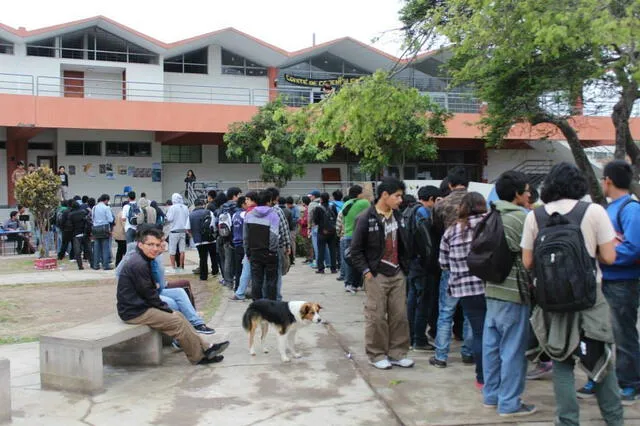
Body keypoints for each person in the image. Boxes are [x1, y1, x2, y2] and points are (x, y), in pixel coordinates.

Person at [521, 162, 623, 425]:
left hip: (552, 301)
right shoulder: (594, 211)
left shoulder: (536, 216)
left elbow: (528, 262)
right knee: (602, 363)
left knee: (562, 363)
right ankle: (614, 420)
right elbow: (610, 257)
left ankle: (567, 421)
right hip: (590, 299)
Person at [116, 226, 228, 365]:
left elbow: (150, 290)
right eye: (150, 245)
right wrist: (166, 308)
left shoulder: (143, 259)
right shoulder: (138, 263)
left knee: (179, 316)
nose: (155, 248)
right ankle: (198, 357)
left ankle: (206, 347)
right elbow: (150, 294)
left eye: (157, 245)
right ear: (140, 244)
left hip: (141, 306)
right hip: (134, 311)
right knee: (176, 321)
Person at [576, 160, 640, 404]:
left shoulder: (631, 209)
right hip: (605, 281)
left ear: (608, 181)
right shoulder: (610, 208)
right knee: (598, 333)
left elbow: (634, 247)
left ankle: (630, 383)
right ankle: (601, 376)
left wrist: (604, 256)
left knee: (623, 334)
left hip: (623, 282)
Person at [482, 171, 536, 416]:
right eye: (526, 190)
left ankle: (491, 396)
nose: (529, 194)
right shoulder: (520, 218)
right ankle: (510, 403)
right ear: (516, 194)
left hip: (491, 289)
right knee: (513, 350)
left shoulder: (491, 213)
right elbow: (530, 259)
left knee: (491, 348)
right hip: (513, 292)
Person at [350, 177, 414, 370]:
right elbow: (355, 250)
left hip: (397, 272)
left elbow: (405, 244)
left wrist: (404, 267)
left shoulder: (399, 216)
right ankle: (376, 354)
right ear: (385, 195)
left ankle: (397, 353)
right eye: (397, 196)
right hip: (376, 274)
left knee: (400, 316)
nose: (400, 200)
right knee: (376, 317)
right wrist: (367, 272)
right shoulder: (365, 217)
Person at [438, 192, 488, 389]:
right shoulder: (491, 224)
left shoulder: (452, 230)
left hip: (464, 289)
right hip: (490, 287)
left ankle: (481, 378)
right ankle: (494, 374)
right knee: (494, 333)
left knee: (479, 332)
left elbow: (443, 263)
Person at [430, 168, 474, 369]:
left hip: (451, 262)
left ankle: (441, 355)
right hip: (475, 265)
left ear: (449, 185)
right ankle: (468, 352)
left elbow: (436, 229)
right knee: (470, 312)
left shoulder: (442, 204)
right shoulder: (478, 201)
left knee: (446, 312)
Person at [406, 185, 440, 352]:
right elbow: (428, 245)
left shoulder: (409, 211)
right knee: (423, 303)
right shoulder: (424, 214)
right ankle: (419, 339)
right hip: (422, 267)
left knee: (412, 302)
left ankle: (411, 336)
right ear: (432, 199)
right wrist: (431, 264)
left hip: (412, 264)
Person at [244, 190, 281, 301]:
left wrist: (248, 252)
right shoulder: (273, 215)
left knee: (256, 279)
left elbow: (245, 237)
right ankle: (271, 305)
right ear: (269, 201)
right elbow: (274, 236)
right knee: (271, 281)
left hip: (254, 252)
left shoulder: (249, 215)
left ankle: (257, 306)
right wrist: (272, 251)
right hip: (269, 253)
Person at [341, 185, 371, 293]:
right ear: (359, 194)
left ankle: (349, 283)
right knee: (357, 260)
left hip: (347, 235)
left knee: (349, 260)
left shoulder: (346, 203)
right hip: (357, 236)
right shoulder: (364, 203)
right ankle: (353, 283)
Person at [231, 192, 257, 301]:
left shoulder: (248, 213)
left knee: (246, 270)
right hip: (258, 246)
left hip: (247, 246)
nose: (245, 201)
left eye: (247, 199)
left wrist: (247, 248)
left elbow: (246, 234)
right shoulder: (263, 211)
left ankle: (240, 292)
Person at [217, 187, 242, 287]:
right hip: (236, 237)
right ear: (235, 195)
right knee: (237, 260)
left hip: (224, 236)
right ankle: (236, 279)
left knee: (227, 260)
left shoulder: (222, 207)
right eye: (240, 194)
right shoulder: (237, 207)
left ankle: (228, 281)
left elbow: (216, 221)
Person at [189, 199, 215, 282]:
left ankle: (203, 276)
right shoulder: (209, 212)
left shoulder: (191, 215)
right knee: (213, 256)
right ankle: (215, 271)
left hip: (199, 241)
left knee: (202, 258)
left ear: (195, 205)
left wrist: (193, 236)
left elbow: (188, 229)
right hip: (210, 239)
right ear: (203, 204)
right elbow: (213, 224)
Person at [313, 192, 338, 274]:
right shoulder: (333, 206)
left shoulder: (318, 208)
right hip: (332, 231)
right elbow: (336, 217)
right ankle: (333, 268)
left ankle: (321, 268)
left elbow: (316, 221)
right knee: (333, 250)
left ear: (321, 199)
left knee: (321, 250)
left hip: (322, 232)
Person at [165, 193, 191, 271]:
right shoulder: (185, 207)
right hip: (183, 231)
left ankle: (173, 267)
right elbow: (187, 219)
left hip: (174, 231)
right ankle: (181, 267)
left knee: (172, 250)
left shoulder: (172, 208)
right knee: (182, 250)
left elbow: (169, 219)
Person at [91, 194, 114, 270]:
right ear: (106, 200)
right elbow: (110, 219)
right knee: (105, 247)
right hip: (104, 228)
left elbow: (92, 218)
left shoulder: (94, 207)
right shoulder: (106, 208)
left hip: (95, 229)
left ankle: (96, 265)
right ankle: (105, 265)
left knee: (96, 247)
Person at [68, 201, 90, 270]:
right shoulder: (84, 212)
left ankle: (80, 266)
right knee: (88, 250)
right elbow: (88, 222)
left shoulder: (70, 215)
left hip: (76, 235)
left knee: (77, 252)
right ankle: (92, 263)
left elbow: (69, 226)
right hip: (84, 233)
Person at [113, 201, 128, 267]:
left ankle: (118, 263)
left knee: (120, 250)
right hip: (122, 235)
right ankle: (122, 264)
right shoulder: (123, 214)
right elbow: (125, 226)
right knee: (124, 250)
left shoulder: (119, 213)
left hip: (118, 235)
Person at [286, 196, 299, 264]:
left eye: (288, 204)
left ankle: (293, 256)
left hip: (293, 228)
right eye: (287, 204)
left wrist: (290, 221)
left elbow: (297, 218)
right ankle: (289, 256)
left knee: (292, 241)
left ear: (291, 203)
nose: (287, 206)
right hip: (287, 227)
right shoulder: (287, 208)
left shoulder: (296, 208)